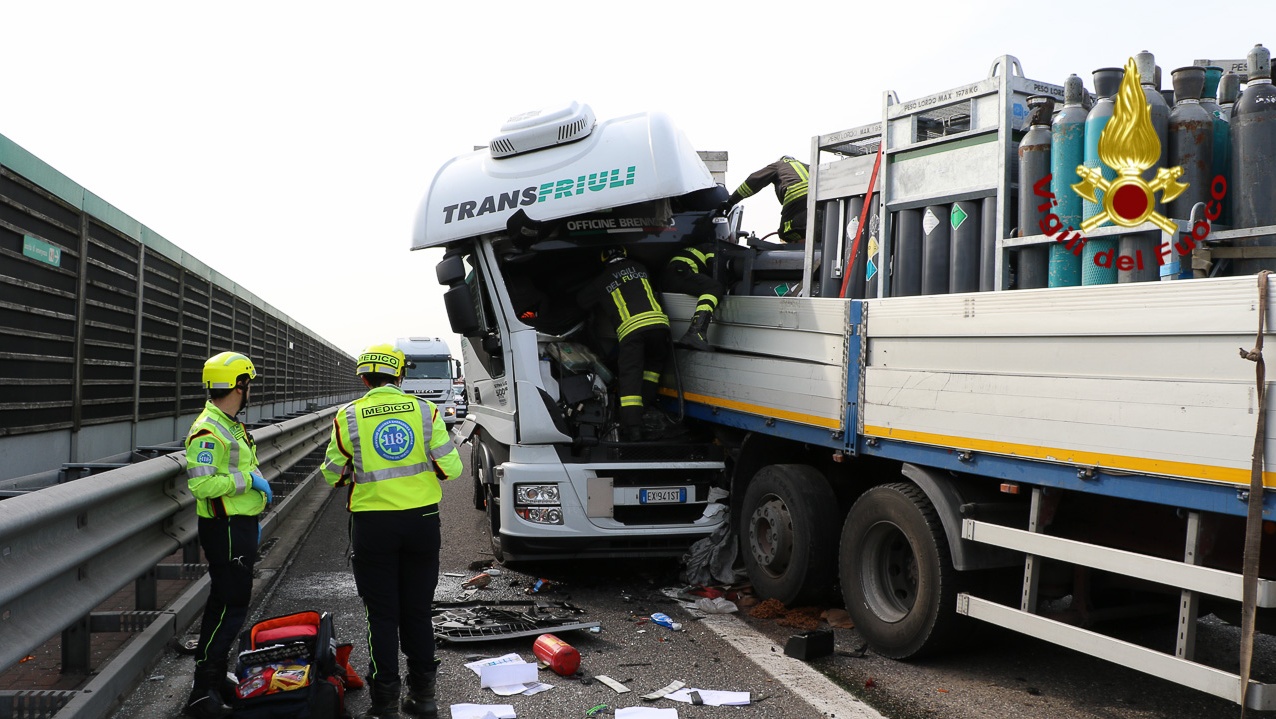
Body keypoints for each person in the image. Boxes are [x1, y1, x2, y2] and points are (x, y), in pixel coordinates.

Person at [321, 344, 463, 719]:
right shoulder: (425, 411)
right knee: (417, 611)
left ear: (364, 378)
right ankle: (424, 698)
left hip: (373, 527)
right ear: (400, 376)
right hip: (421, 523)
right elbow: (452, 468)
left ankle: (384, 704)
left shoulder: (348, 416)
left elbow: (332, 475)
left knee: (382, 616)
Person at [183, 351, 271, 719]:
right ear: (239, 385)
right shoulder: (208, 429)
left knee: (225, 606)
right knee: (230, 608)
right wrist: (248, 481)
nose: (250, 390)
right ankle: (202, 693)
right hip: (227, 529)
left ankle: (215, 681)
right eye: (248, 383)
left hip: (240, 526)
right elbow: (202, 484)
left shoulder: (229, 423)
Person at [576, 247, 671, 441]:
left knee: (631, 378)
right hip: (660, 327)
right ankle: (646, 408)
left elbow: (581, 302)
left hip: (633, 331)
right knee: (652, 371)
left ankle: (633, 429)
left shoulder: (602, 279)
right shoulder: (641, 267)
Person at [726, 155, 811, 243]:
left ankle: (799, 246)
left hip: (795, 195)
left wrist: (731, 202)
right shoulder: (808, 166)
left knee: (785, 232)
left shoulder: (778, 165)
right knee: (818, 226)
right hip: (818, 198)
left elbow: (753, 181)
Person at [661, 242, 724, 352]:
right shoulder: (711, 246)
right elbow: (715, 266)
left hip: (668, 278)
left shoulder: (694, 247)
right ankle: (696, 332)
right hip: (682, 273)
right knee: (715, 287)